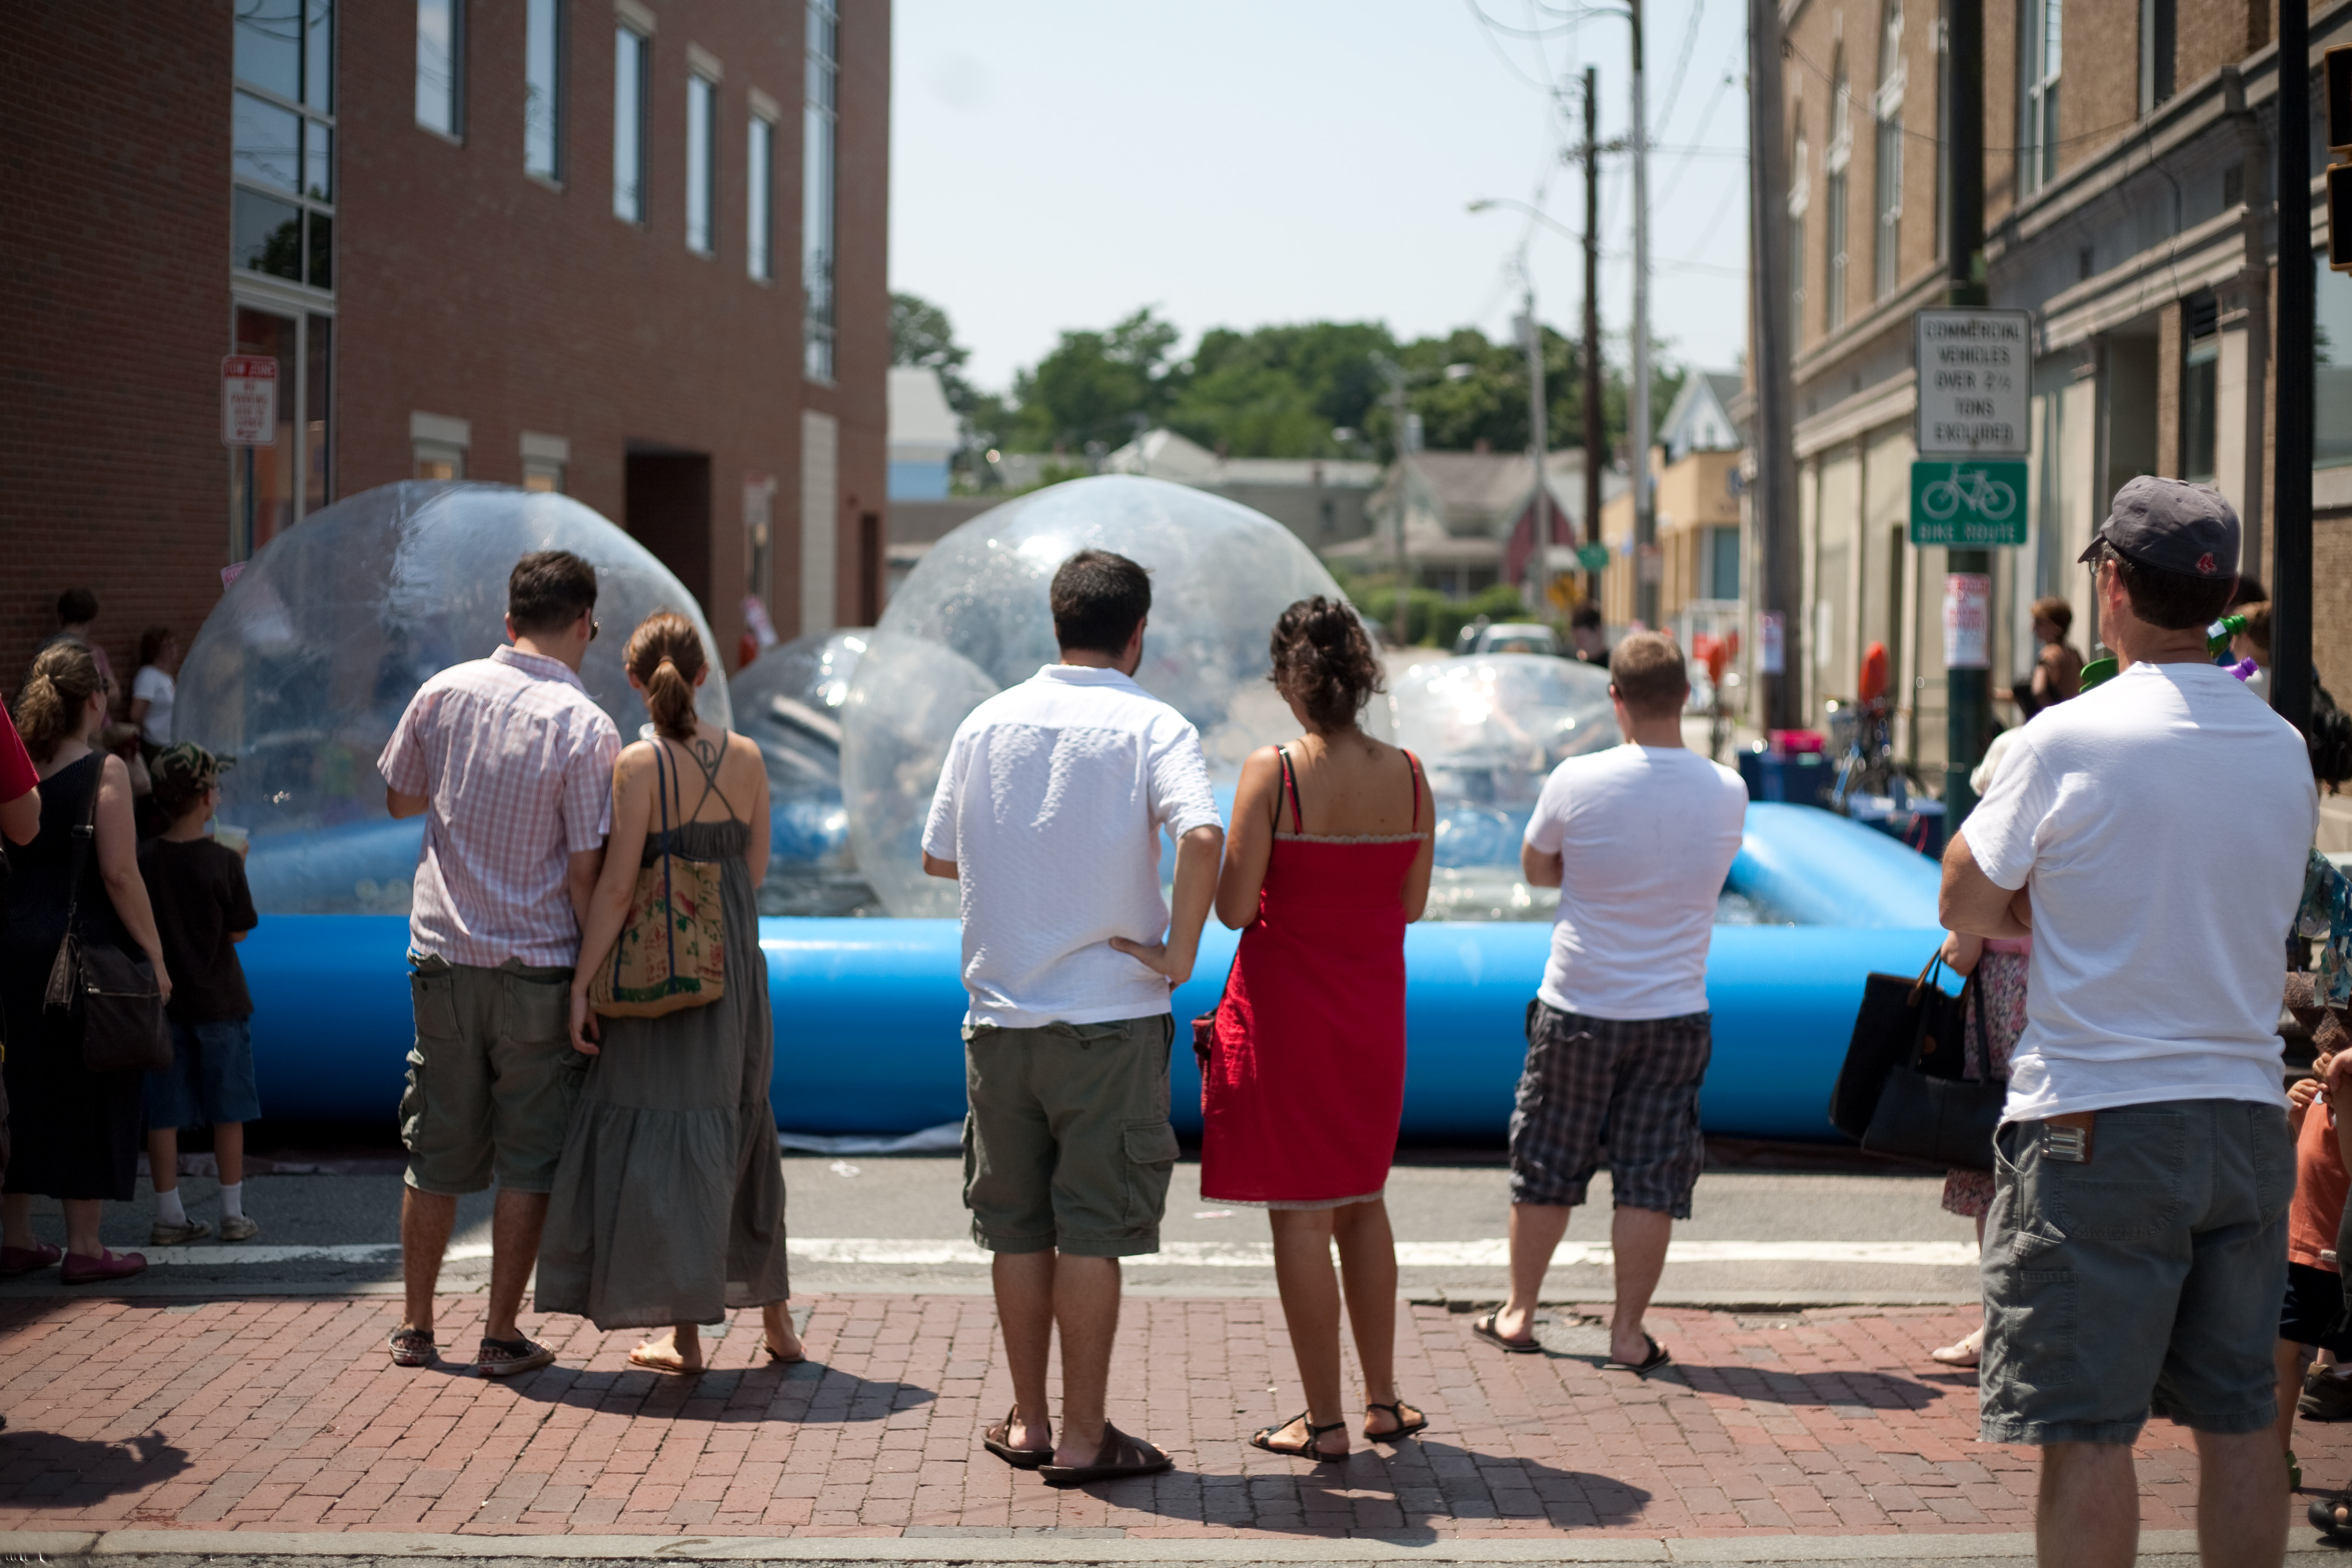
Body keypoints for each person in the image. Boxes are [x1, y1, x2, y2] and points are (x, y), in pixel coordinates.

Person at [1943, 476, 2315, 1568]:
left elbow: (1964, 897)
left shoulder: (2067, 737)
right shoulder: (2280, 745)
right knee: (2243, 1419)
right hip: (2247, 1118)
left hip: (2098, 1118)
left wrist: (2044, 902)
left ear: (2112, 582)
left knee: (2087, 1429)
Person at [921, 548, 1223, 1487]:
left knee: (1014, 1226)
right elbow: (1203, 834)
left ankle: (1032, 1421)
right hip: (1110, 1019)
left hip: (1000, 1018)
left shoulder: (984, 722)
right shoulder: (1153, 725)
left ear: (1056, 625)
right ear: (1137, 633)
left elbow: (939, 856)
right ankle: (1089, 1437)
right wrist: (1177, 953)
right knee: (1091, 1229)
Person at [1188, 598, 1436, 1461]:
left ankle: (1323, 1422)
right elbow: (1410, 905)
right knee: (1364, 1203)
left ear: (1290, 685)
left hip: (1291, 1020)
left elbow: (1229, 910)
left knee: (1300, 1215)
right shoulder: (1410, 774)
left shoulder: (1275, 771)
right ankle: (1383, 1401)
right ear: (1361, 677)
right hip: (1371, 1020)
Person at [376, 551, 621, 1376]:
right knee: (530, 1154)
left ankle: (415, 1327)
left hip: (442, 956)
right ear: (585, 621)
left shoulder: (442, 692)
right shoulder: (587, 727)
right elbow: (586, 876)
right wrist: (593, 983)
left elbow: (400, 798)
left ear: (508, 616)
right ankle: (499, 1333)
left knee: (434, 1147)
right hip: (539, 967)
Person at [1475, 632, 1747, 1371]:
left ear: (1614, 698)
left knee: (1547, 1163)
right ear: (1687, 695)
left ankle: (1519, 1313)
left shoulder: (1576, 779)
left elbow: (1537, 870)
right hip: (1674, 1013)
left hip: (1578, 1005)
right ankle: (1628, 1334)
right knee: (1651, 1177)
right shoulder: (1728, 789)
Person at [538, 611, 800, 1371]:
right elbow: (752, 876)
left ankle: (683, 1336)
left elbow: (618, 889)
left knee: (665, 1139)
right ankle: (778, 1325)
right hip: (735, 978)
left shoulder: (638, 765)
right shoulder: (747, 756)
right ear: (704, 676)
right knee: (743, 1129)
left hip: (662, 980)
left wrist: (583, 984)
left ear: (633, 681)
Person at [0, 641, 170, 1283]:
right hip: (79, 952)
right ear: (94, 699)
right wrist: (155, 955)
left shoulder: (19, 767)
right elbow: (122, 874)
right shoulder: (105, 771)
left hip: (10, 942)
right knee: (88, 1086)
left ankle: (16, 1236)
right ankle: (87, 1245)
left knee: (15, 1090)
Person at [139, 744, 262, 1246]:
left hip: (164, 1005)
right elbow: (238, 933)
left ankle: (169, 1215)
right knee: (228, 1110)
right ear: (208, 798)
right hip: (222, 1003)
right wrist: (239, 867)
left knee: (164, 1112)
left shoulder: (144, 858)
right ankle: (233, 1212)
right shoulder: (223, 861)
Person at [1923, 925, 2031, 1368]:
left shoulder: (1995, 855)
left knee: (1994, 1169)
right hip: (2075, 998)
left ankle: (2001, 1327)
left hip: (2007, 1002)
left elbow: (1961, 954)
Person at [2007, 595, 2083, 720]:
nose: (2033, 628)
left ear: (2055, 627)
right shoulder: (2074, 653)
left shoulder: (2049, 653)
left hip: (2054, 725)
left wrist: (2050, 720)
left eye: (2039, 622)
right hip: (2071, 719)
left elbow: (2039, 690)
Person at [41, 589, 117, 715]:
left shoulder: (45, 649)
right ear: (92, 620)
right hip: (85, 727)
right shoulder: (91, 652)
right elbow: (114, 695)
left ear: (61, 616)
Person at [130, 627, 178, 752]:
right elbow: (136, 714)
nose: (173, 650)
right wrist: (150, 731)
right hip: (154, 744)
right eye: (167, 646)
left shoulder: (166, 677)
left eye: (174, 645)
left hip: (169, 742)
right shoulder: (148, 676)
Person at [2230, 600, 2271, 705]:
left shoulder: (2239, 684)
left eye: (2233, 639)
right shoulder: (2289, 682)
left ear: (2244, 639)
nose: (2231, 648)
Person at [1568, 602, 1608, 666]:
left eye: (1582, 638)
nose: (1578, 644)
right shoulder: (1575, 664)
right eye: (1575, 639)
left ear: (1598, 630)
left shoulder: (1613, 665)